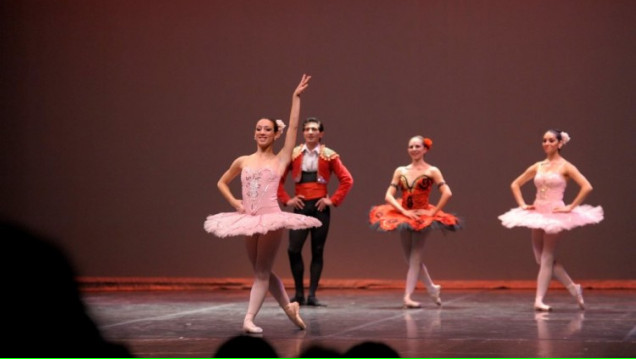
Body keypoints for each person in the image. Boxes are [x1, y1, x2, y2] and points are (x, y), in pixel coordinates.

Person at [204, 74, 320, 334]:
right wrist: (235, 201)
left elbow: (292, 129)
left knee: (261, 273)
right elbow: (222, 182)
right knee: (261, 270)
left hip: (270, 219)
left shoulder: (279, 160)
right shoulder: (243, 160)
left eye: (267, 129)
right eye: (258, 128)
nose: (262, 132)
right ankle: (290, 308)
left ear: (275, 134)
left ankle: (248, 318)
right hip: (248, 218)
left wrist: (295, 98)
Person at [498, 129, 603, 311]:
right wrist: (523, 204)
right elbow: (515, 184)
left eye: (551, 140)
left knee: (547, 257)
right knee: (540, 259)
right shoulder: (538, 166)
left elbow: (587, 187)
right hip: (538, 212)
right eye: (544, 140)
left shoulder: (566, 166)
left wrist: (570, 207)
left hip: (555, 214)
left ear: (560, 144)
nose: (546, 143)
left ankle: (539, 300)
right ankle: (573, 287)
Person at [369, 136, 461, 308]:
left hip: (422, 217)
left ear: (425, 149)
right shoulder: (401, 170)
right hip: (404, 215)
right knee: (409, 257)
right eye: (410, 146)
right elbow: (388, 195)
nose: (414, 149)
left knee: (415, 256)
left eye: (417, 146)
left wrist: (432, 212)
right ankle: (432, 288)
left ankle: (407, 297)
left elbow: (447, 193)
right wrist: (402, 210)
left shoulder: (432, 170)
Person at [277, 117, 353, 306]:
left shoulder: (329, 155)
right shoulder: (294, 154)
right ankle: (299, 293)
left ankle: (311, 294)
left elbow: (347, 179)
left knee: (317, 250)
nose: (311, 132)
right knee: (293, 249)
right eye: (307, 129)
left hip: (319, 208)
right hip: (301, 207)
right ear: (303, 133)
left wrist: (332, 200)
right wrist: (287, 200)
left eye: (314, 129)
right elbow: (277, 178)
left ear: (321, 133)